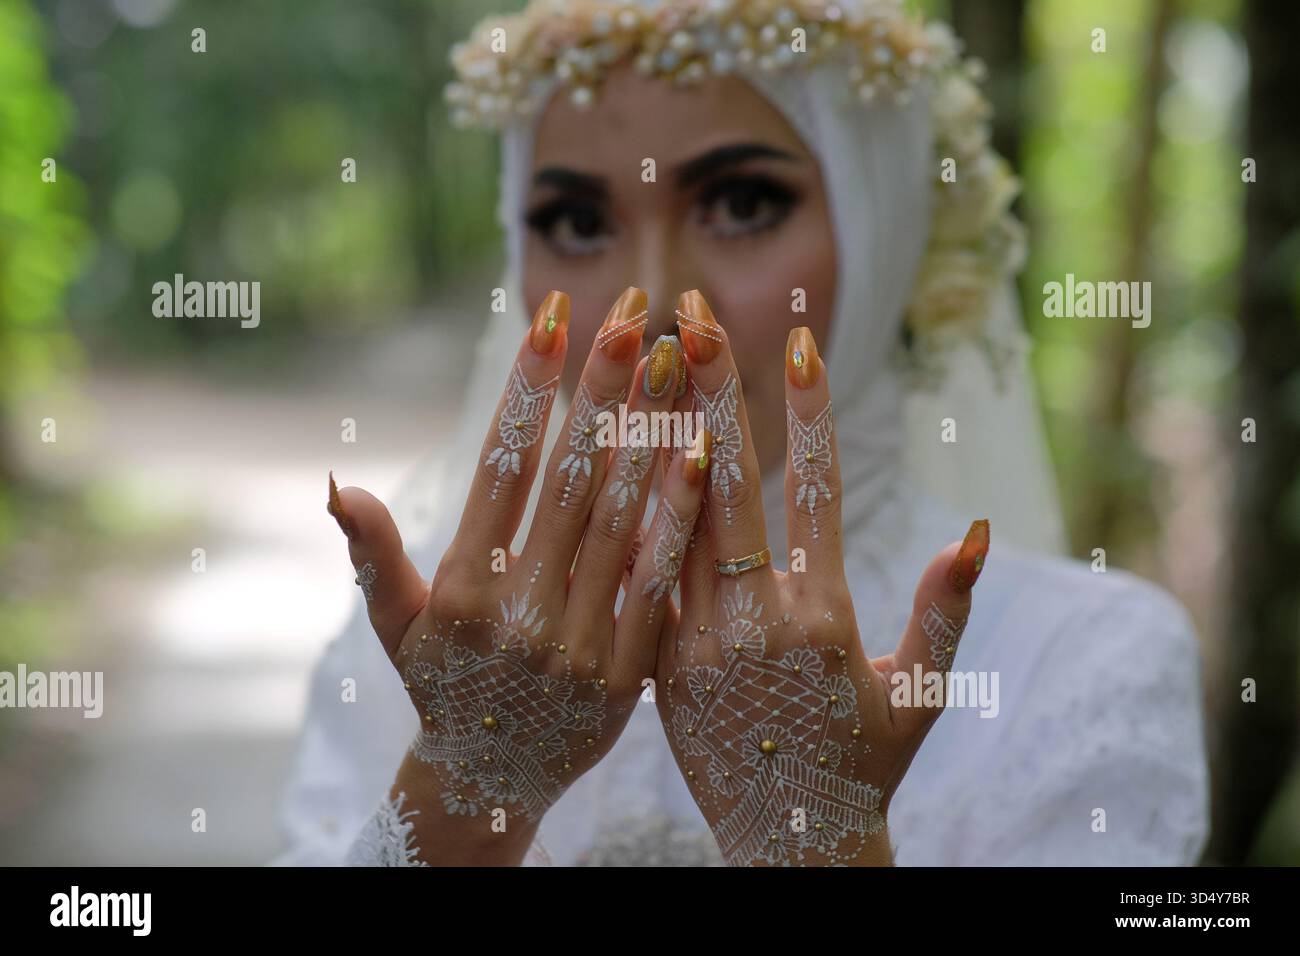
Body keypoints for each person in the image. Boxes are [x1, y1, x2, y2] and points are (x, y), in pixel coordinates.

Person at [278, 0, 1207, 866]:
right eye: (576, 220)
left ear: (882, 228)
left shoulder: (1081, 658)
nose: (656, 314)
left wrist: (817, 838)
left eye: (742, 204)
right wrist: (467, 783)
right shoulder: (428, 635)